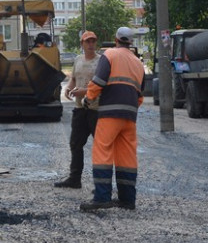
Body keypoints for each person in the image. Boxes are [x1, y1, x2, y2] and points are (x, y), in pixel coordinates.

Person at [80, 27, 145, 212]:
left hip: (110, 114)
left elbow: (99, 81)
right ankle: (127, 199)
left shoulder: (110, 55)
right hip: (129, 116)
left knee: (102, 151)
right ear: (130, 42)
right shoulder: (138, 63)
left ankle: (101, 197)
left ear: (116, 39)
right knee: (127, 156)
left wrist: (88, 99)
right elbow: (140, 94)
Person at [55, 31, 101, 189]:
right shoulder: (78, 60)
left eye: (93, 41)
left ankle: (100, 184)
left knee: (100, 147)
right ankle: (75, 179)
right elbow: (73, 78)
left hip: (96, 110)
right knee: (75, 144)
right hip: (80, 108)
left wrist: (84, 92)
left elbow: (102, 85)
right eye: (87, 41)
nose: (90, 44)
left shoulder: (101, 62)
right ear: (82, 44)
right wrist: (69, 88)